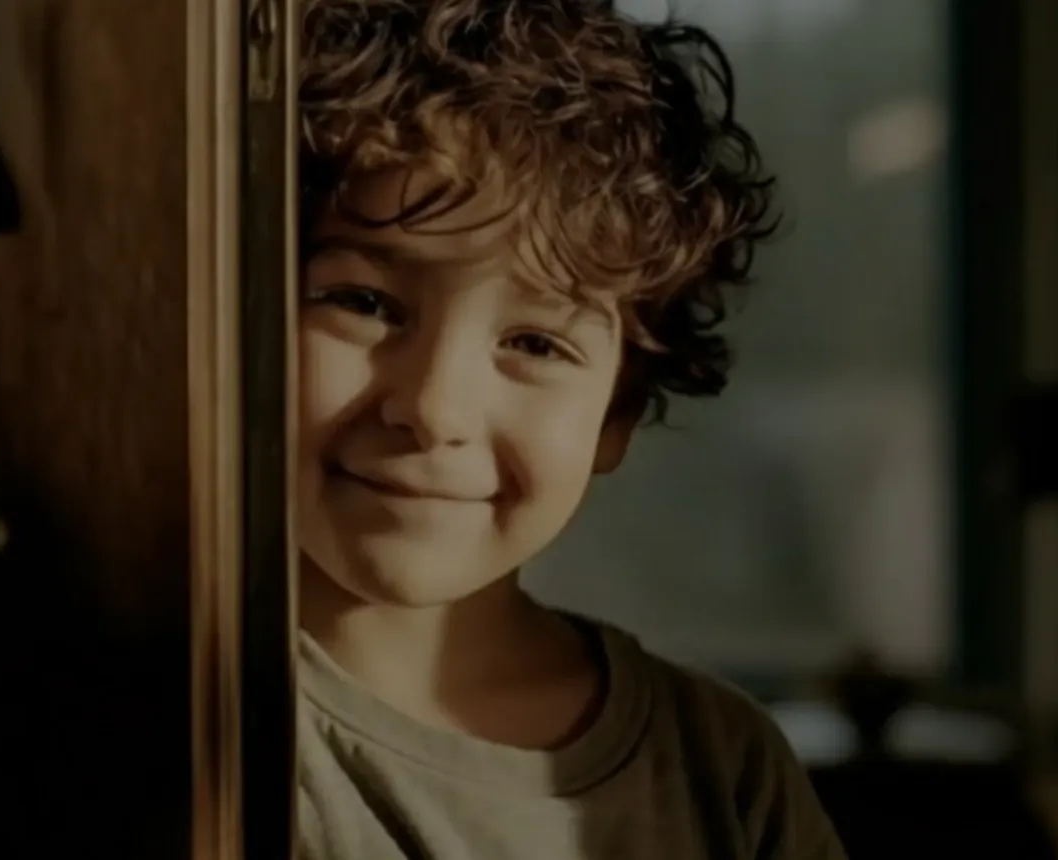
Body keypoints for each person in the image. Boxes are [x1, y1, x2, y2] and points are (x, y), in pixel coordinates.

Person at [293, 1, 846, 857]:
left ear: (618, 414)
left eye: (534, 343)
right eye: (364, 303)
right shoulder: (153, 727)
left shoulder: (724, 772)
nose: (436, 409)